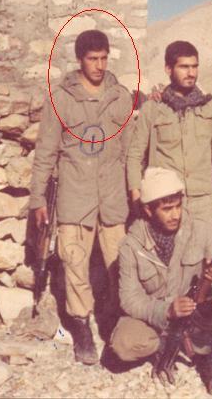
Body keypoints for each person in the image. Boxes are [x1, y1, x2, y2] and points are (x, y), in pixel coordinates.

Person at [29, 29, 133, 365]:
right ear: (79, 60)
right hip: (75, 196)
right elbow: (45, 151)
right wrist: (37, 199)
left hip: (113, 197)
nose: (99, 66)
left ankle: (117, 322)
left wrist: (135, 190)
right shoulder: (61, 98)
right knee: (74, 264)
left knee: (120, 263)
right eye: (92, 59)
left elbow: (130, 151)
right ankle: (82, 327)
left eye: (104, 58)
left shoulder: (120, 97)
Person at [110, 167, 212, 396]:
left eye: (178, 206)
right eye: (167, 209)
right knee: (123, 343)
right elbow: (129, 298)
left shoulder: (200, 229)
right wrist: (166, 310)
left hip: (198, 314)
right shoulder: (131, 246)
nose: (175, 215)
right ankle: (165, 348)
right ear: (148, 210)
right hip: (160, 320)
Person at [126, 41, 212, 238]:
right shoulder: (153, 109)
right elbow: (135, 155)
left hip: (204, 202)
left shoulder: (210, 107)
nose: (191, 73)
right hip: (166, 203)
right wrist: (136, 193)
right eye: (184, 67)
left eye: (194, 66)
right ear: (168, 69)